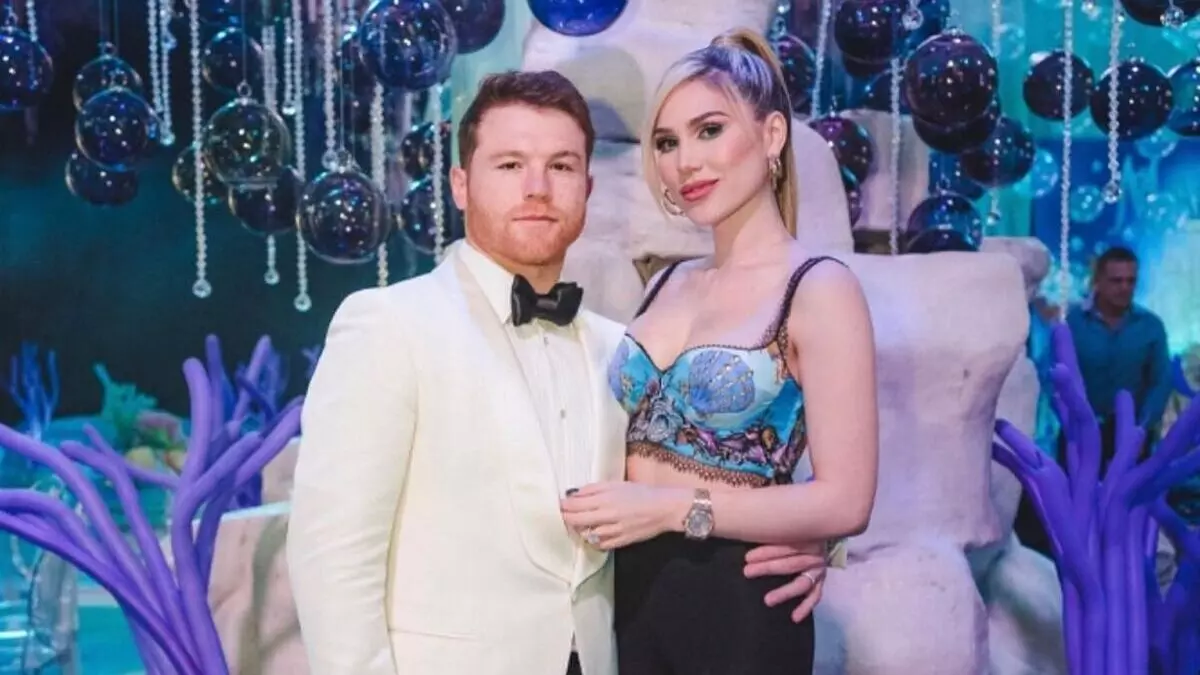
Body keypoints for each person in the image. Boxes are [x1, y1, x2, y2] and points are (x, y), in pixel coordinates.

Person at [286, 69, 832, 675]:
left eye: (562, 166)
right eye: (510, 165)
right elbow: (332, 554)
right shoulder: (389, 325)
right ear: (461, 185)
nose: (538, 188)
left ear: (587, 188)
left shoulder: (620, 349)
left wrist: (808, 539)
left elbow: (695, 473)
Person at [560, 29, 879, 675]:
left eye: (709, 130)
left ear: (771, 135)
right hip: (626, 594)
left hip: (736, 604)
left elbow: (848, 500)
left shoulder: (819, 287)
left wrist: (675, 509)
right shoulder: (667, 282)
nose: (687, 161)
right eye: (667, 142)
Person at [1015, 245, 1172, 557]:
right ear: (1097, 281)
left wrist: (1142, 429)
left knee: (1129, 521)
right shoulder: (1073, 324)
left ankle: (1128, 575)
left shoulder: (1151, 327)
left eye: (1130, 280)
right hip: (1079, 438)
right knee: (1076, 520)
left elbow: (1160, 382)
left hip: (1132, 440)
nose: (1124, 288)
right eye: (1116, 280)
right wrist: (1071, 418)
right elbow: (1052, 375)